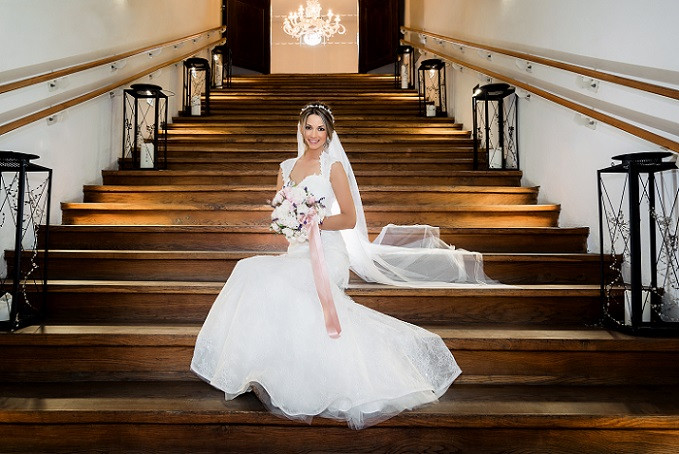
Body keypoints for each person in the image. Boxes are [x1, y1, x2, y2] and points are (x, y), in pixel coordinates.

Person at [191, 102, 492, 429]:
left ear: (329, 133)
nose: (314, 134)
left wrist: (316, 222)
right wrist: (290, 224)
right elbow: (278, 217)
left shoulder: (332, 167)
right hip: (297, 253)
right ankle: (259, 368)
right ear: (300, 129)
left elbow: (348, 218)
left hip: (329, 252)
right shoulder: (286, 166)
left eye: (321, 129)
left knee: (278, 282)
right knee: (250, 270)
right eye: (310, 127)